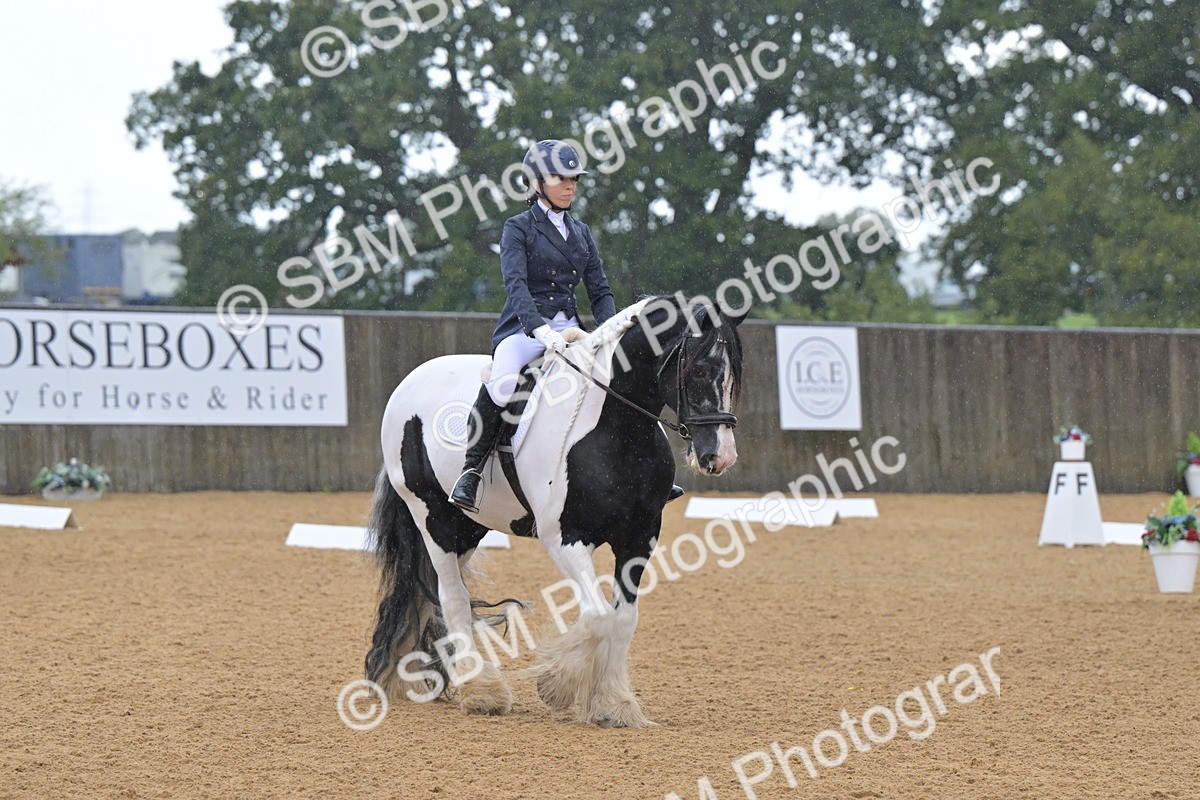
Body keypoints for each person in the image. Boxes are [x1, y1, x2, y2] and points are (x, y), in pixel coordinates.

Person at [449, 138, 684, 512]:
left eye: (574, 178)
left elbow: (601, 290)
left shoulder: (581, 233)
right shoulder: (518, 228)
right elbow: (516, 285)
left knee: (624, 379)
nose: (570, 185)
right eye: (561, 178)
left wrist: (613, 333)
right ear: (537, 182)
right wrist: (539, 330)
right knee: (503, 383)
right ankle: (471, 469)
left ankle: (647, 468)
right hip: (524, 331)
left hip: (572, 330)